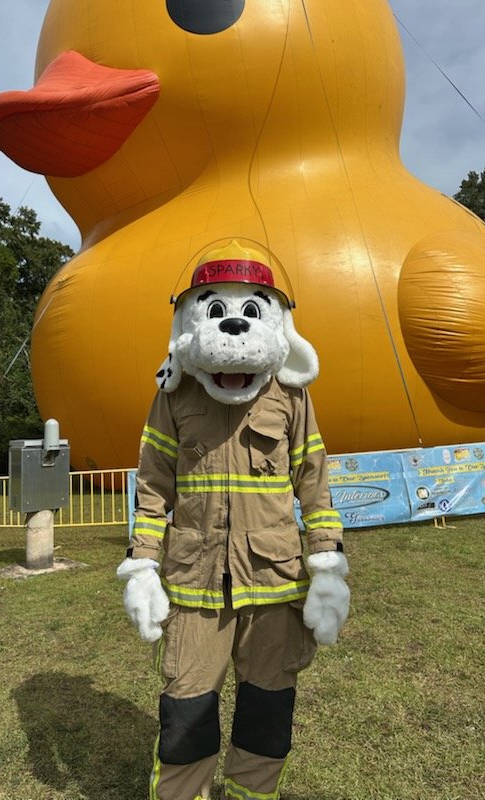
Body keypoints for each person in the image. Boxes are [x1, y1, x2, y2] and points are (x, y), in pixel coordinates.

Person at [117, 241, 350, 800]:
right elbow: (152, 486)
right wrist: (143, 565)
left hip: (273, 580)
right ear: (191, 317)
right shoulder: (173, 397)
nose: (235, 324)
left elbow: (314, 483)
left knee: (268, 706)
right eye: (217, 308)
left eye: (250, 309)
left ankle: (251, 794)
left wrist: (328, 564)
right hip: (194, 582)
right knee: (186, 705)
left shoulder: (291, 396)